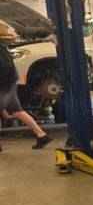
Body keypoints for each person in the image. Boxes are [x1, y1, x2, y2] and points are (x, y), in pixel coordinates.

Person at [0, 21, 52, 152]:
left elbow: (5, 67)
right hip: (9, 83)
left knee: (13, 111)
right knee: (17, 111)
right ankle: (42, 135)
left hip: (4, 83)